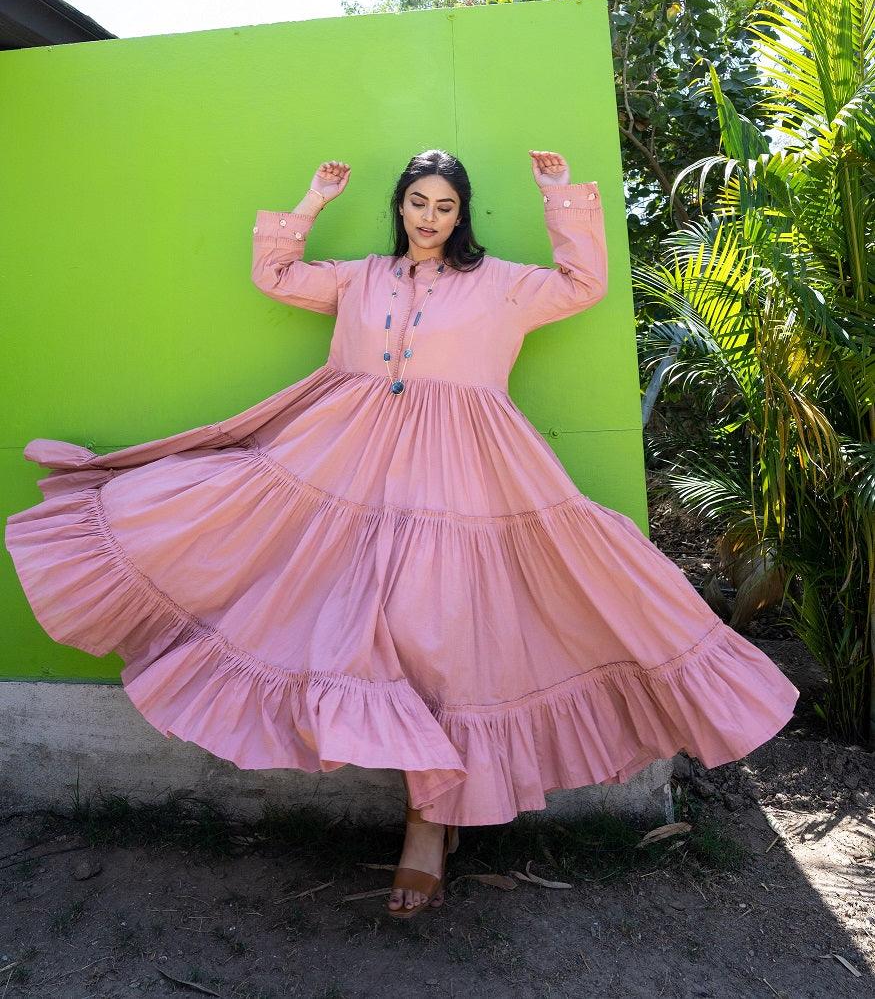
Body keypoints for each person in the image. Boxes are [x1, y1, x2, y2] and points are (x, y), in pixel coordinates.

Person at [5, 147, 799, 921]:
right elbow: (274, 275)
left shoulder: (503, 284)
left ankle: (429, 822)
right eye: (417, 202)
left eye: (444, 206)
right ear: (400, 206)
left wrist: (560, 194)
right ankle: (427, 813)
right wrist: (311, 201)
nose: (429, 217)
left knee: (443, 641)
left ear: (461, 215)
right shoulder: (361, 276)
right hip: (342, 463)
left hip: (465, 476)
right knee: (310, 599)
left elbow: (582, 284)